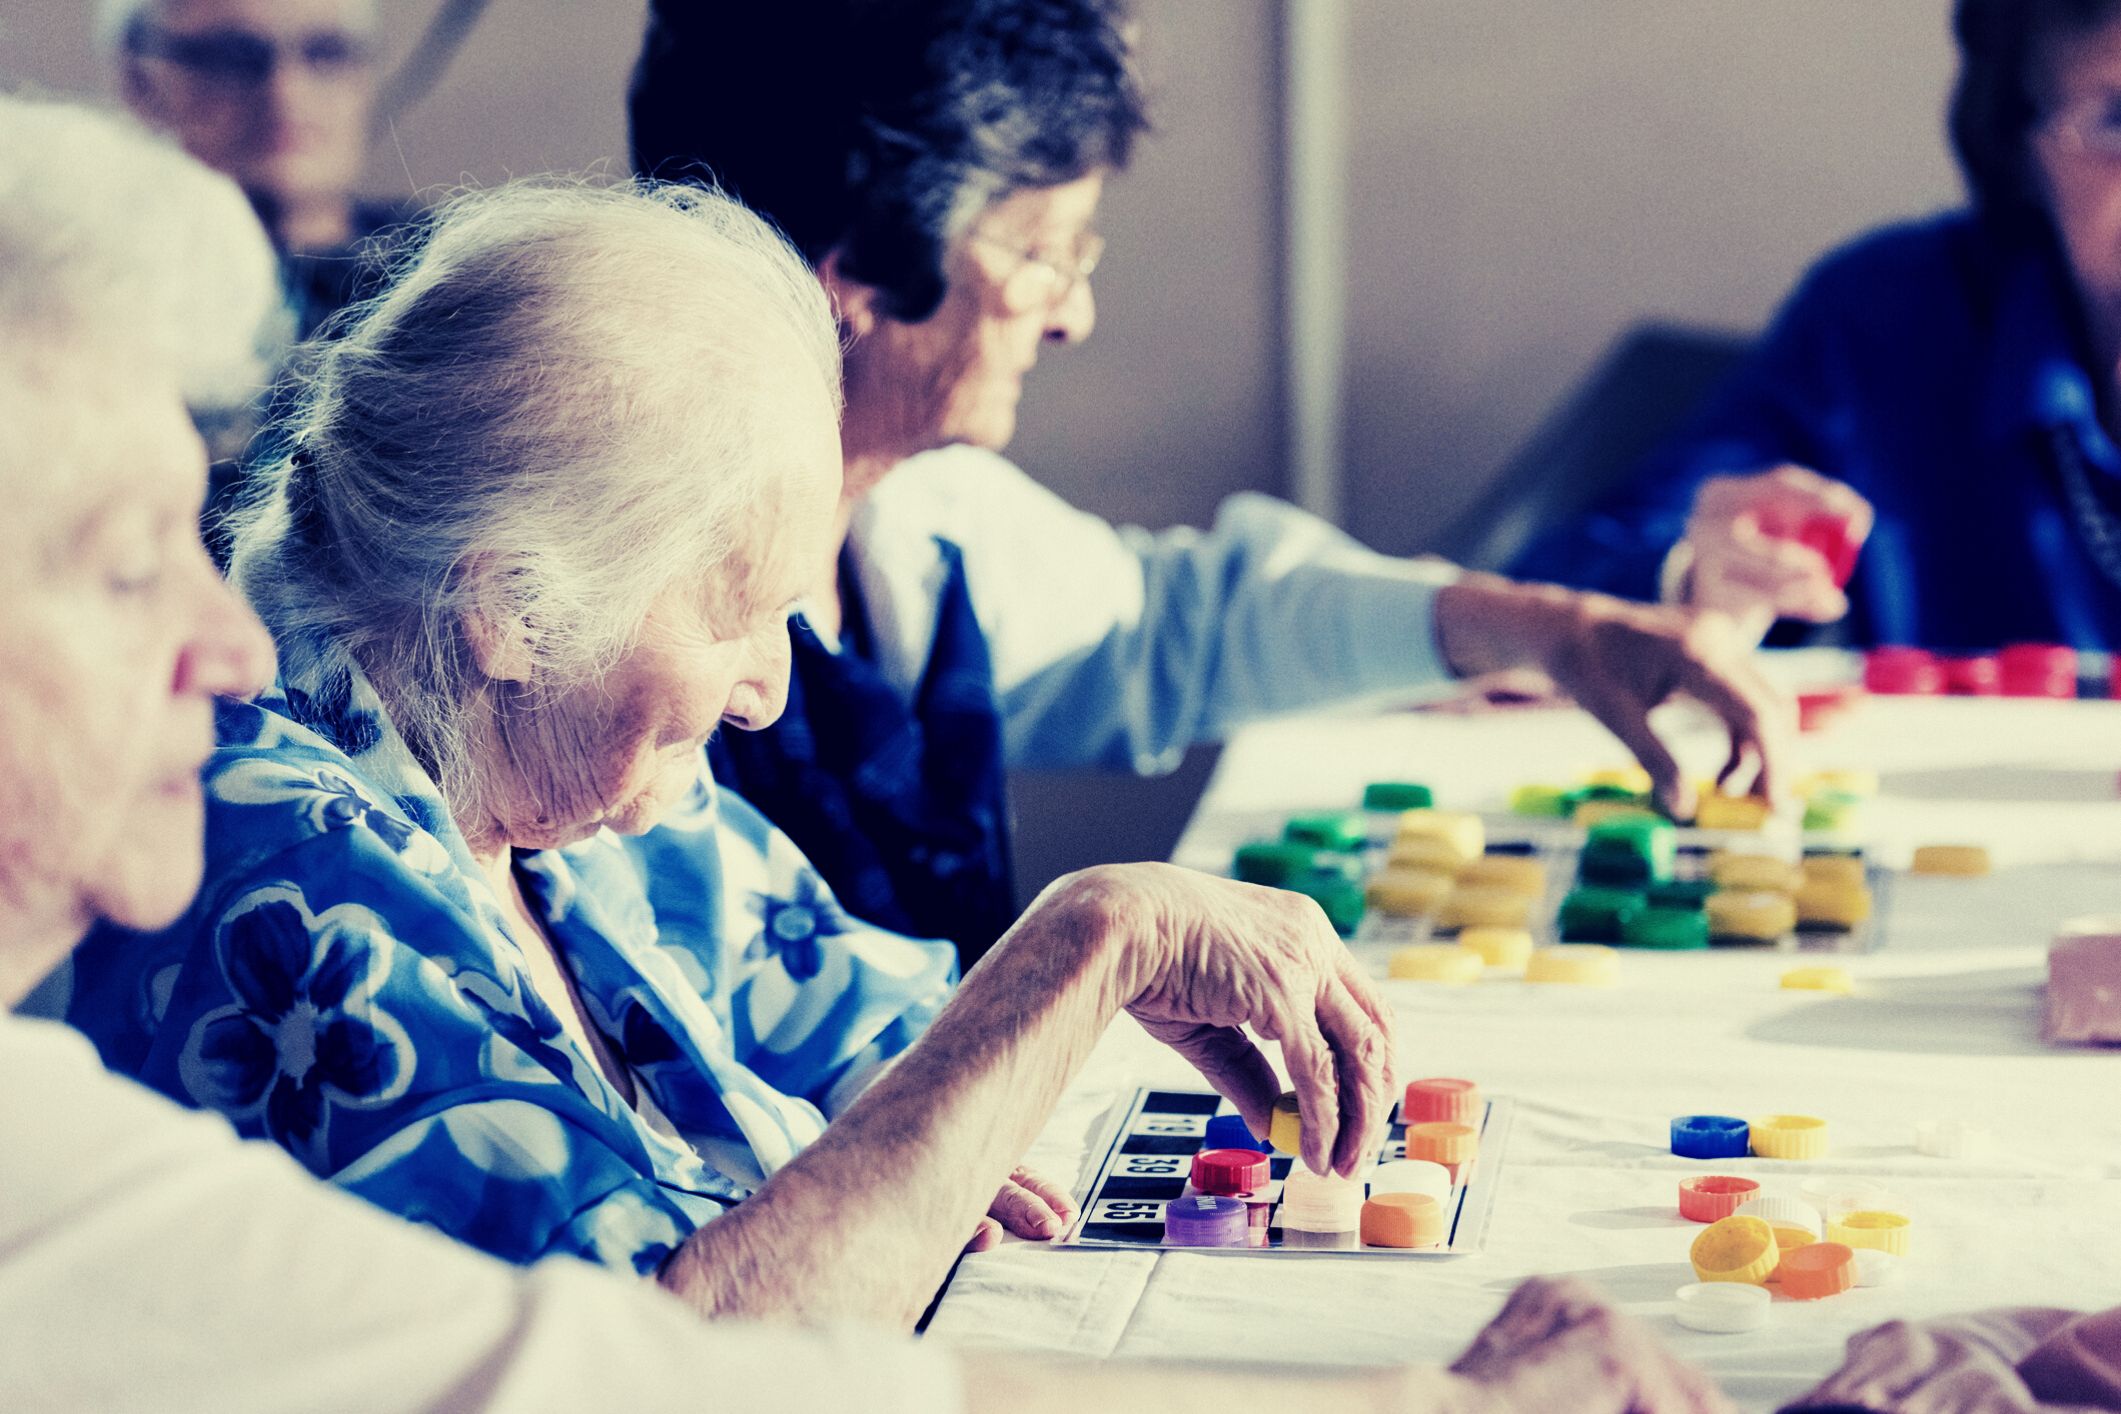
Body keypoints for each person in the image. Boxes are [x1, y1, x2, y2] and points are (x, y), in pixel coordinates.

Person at [2, 91, 1731, 1414]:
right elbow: (671, 1368)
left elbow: (898, 1048)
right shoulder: (272, 858)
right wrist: (1084, 944)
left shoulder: (567, 781)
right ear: (510, 607)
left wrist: (1028, 1045)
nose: (767, 691)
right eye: (733, 612)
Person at [629, 0, 1787, 965]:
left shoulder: (916, 515)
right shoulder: (626, 649)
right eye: (1041, 255)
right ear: (858, 274)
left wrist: (1547, 630)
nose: (1073, 315)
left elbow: (1175, 624)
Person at [1511, 0, 2121, 657]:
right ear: (2016, 146)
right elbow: (1545, 598)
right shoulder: (1890, 317)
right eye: (2115, 119)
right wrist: (1694, 578)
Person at [100, 0, 402, 338]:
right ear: (141, 82)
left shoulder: (446, 274)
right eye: (235, 56)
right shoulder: (102, 292)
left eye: (324, 53)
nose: (286, 92)